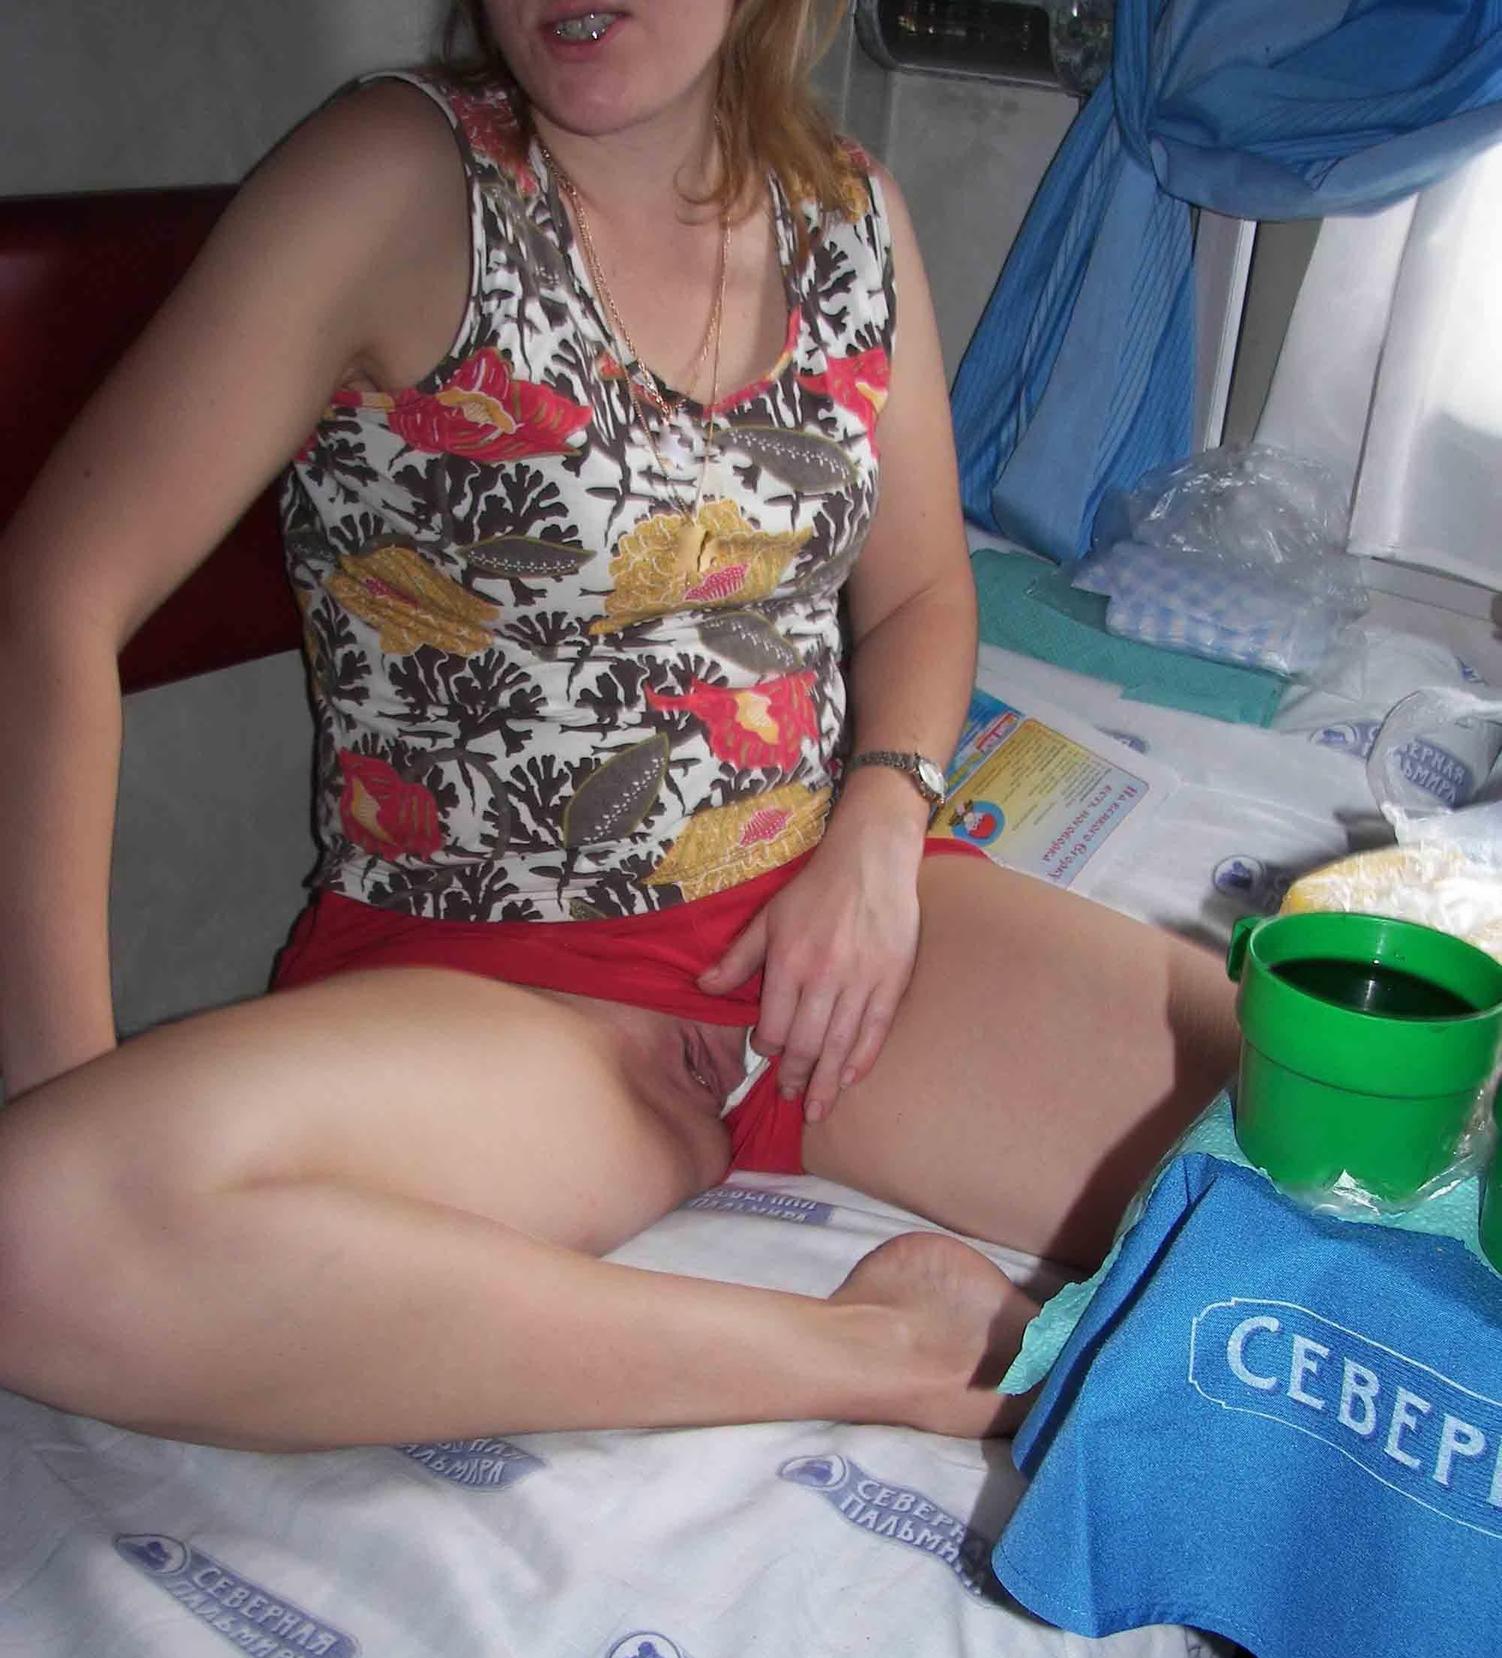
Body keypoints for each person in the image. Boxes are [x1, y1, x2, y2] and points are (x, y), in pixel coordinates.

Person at [0, 0, 1237, 1452]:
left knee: (1356, 1132)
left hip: (821, 951)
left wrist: (879, 830)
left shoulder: (851, 218)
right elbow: (50, 603)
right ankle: (871, 1355)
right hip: (505, 996)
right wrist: (70, 1107)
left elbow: (919, 594)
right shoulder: (397, 177)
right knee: (36, 1234)